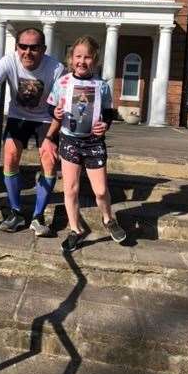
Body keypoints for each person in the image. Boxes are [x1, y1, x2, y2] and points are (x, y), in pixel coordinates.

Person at [0, 27, 65, 237]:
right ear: (17, 47)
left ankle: (38, 216)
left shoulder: (56, 68)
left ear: (43, 49)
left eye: (34, 48)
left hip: (45, 118)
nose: (28, 52)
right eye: (23, 47)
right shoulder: (8, 61)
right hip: (18, 117)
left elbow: (62, 102)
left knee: (50, 159)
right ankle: (15, 212)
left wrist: (53, 135)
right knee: (10, 155)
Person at [42, 35, 126, 253]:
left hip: (93, 142)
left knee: (100, 190)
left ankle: (108, 219)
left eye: (87, 57)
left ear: (95, 60)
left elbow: (108, 112)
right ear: (71, 59)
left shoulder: (102, 86)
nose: (82, 61)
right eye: (78, 56)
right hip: (69, 140)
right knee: (70, 189)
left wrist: (105, 125)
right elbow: (51, 106)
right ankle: (75, 229)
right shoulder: (63, 82)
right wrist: (56, 112)